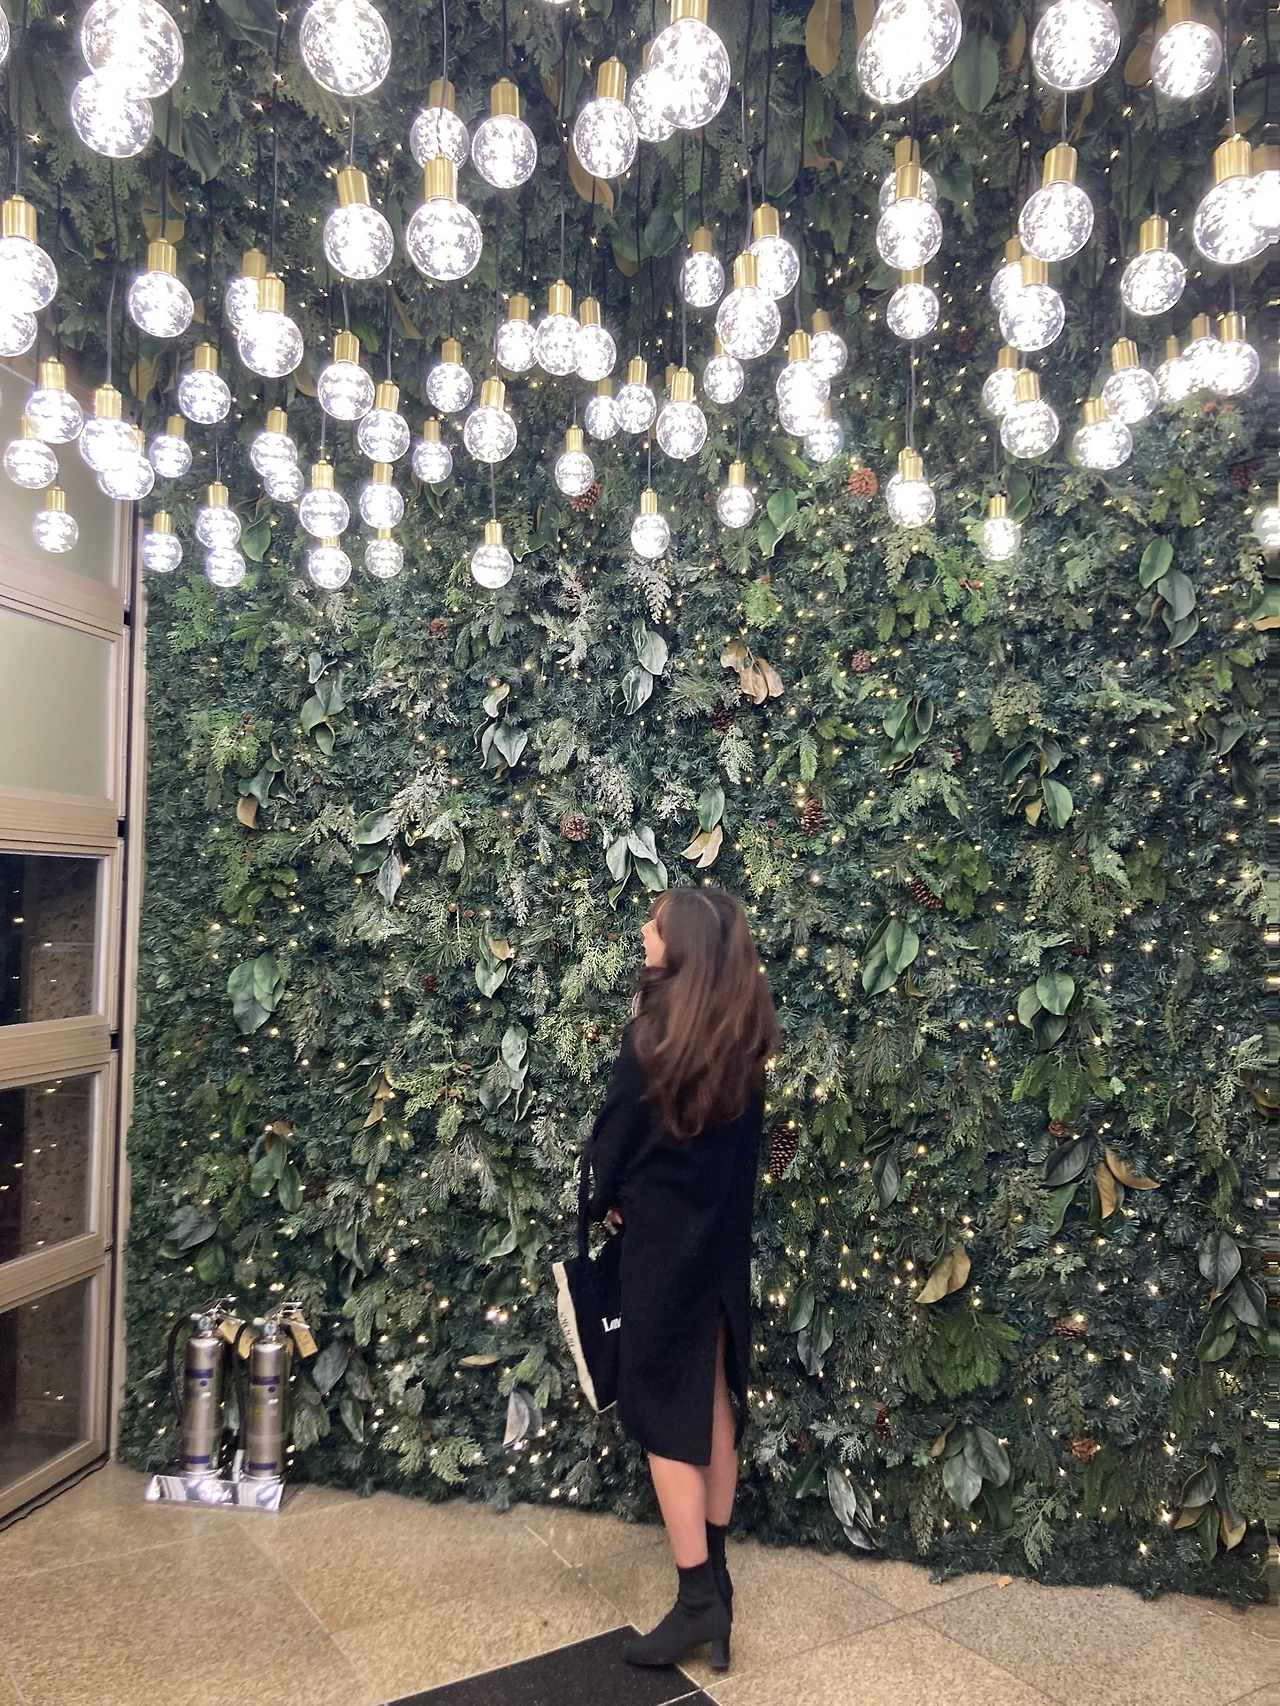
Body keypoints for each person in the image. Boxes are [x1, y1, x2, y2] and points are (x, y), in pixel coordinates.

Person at [583, 886, 780, 1672]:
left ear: (681, 946)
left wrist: (606, 1200)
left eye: (655, 924)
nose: (644, 930)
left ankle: (698, 1597)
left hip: (663, 1253)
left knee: (665, 1417)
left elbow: (611, 1142)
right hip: (720, 1250)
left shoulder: (651, 1039)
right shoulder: (745, 1040)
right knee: (711, 1402)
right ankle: (717, 1579)